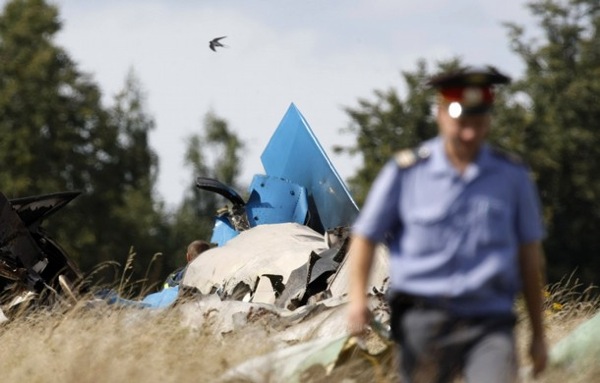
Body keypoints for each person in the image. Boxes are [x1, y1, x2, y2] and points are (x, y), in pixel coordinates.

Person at [347, 65, 548, 382]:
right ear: (440, 114)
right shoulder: (406, 173)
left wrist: (539, 333)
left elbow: (529, 255)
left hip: (490, 322)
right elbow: (365, 236)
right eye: (461, 122)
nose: (470, 133)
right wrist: (358, 300)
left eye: (479, 123)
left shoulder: (512, 177)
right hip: (422, 322)